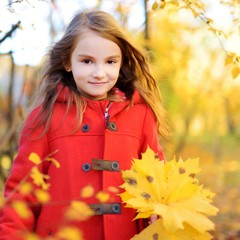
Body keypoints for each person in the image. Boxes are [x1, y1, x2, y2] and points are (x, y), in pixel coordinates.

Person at [0, 9, 170, 240]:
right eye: (87, 61)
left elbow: (157, 182)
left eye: (110, 62)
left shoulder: (140, 114)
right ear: (67, 62)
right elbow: (22, 194)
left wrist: (160, 213)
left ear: (121, 63)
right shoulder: (46, 116)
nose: (100, 73)